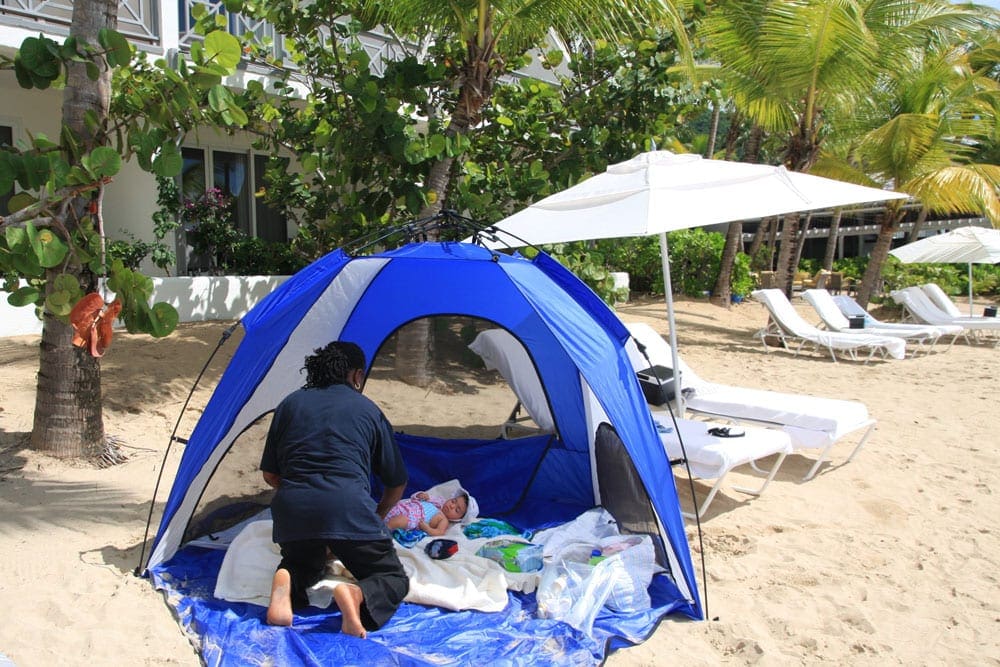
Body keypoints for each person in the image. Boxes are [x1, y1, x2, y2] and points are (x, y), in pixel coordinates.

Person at [259, 341, 409, 638]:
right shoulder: (368, 409)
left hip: (294, 512)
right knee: (391, 576)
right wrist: (376, 517)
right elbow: (396, 482)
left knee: (305, 560)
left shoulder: (289, 404)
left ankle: (288, 577)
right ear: (356, 376)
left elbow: (270, 475)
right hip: (348, 508)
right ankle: (355, 595)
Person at [384, 490, 473, 536]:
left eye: (457, 510)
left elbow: (439, 532)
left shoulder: (444, 520)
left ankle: (382, 530)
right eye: (453, 501)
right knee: (386, 508)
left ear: (458, 519)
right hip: (406, 506)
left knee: (399, 521)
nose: (452, 506)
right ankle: (376, 520)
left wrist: (427, 529)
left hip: (413, 519)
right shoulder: (439, 501)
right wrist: (421, 495)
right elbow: (417, 498)